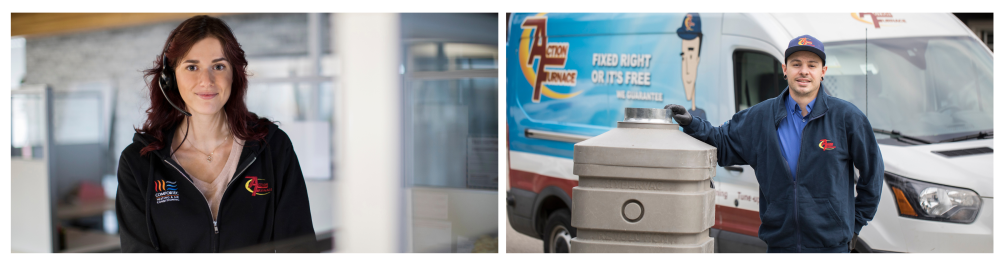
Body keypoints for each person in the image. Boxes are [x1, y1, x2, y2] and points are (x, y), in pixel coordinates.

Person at [664, 34, 883, 253]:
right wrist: (692, 123)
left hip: (831, 248)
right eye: (796, 64)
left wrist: (856, 223)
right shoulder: (760, 116)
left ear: (822, 72)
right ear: (785, 69)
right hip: (780, 246)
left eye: (812, 65)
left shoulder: (846, 118)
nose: (804, 71)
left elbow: (873, 173)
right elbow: (722, 143)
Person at [116, 15, 317, 252]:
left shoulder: (273, 148)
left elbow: (300, 250)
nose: (206, 80)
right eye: (192, 67)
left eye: (219, 66)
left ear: (234, 74)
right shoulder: (138, 163)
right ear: (169, 78)